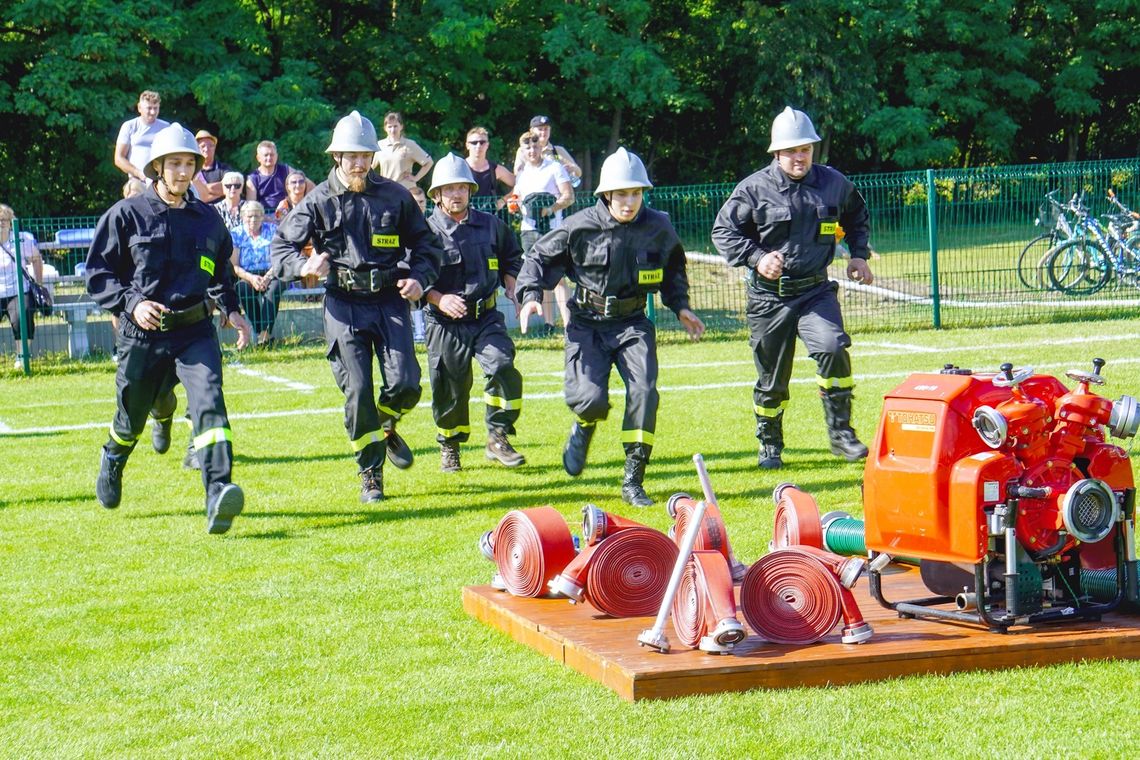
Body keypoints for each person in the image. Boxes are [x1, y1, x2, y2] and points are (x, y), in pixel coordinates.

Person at [85, 123, 253, 534]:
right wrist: (133, 303)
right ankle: (114, 457)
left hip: (195, 331)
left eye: (189, 164)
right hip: (142, 334)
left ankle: (218, 493)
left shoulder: (207, 219)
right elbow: (99, 272)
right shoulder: (125, 215)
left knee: (211, 402)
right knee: (132, 416)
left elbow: (217, 272)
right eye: (174, 164)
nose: (182, 171)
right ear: (157, 167)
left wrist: (231, 310)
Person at [516, 148, 704, 506]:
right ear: (606, 194)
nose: (629, 202)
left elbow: (674, 270)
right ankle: (584, 426)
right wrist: (529, 296)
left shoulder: (658, 227)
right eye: (622, 194)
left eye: (636, 193)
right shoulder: (579, 225)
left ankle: (633, 479)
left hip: (633, 324)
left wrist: (680, 306)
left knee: (645, 392)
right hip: (587, 324)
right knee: (590, 400)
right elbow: (538, 257)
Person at [272, 110, 443, 503]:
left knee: (405, 384)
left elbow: (427, 245)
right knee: (360, 389)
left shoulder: (395, 195)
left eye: (365, 155)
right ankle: (371, 473)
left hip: (389, 301)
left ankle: (385, 425)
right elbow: (280, 248)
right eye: (351, 156)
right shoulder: (318, 200)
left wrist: (419, 277)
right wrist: (303, 265)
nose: (359, 163)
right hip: (343, 305)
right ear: (337, 157)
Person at [711, 106, 873, 470]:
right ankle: (770, 444)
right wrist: (756, 258)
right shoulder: (753, 189)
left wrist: (858, 255)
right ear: (776, 152)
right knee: (772, 379)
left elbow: (857, 216)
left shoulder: (834, 183)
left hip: (816, 292)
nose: (799, 157)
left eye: (805, 149)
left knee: (833, 348)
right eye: (791, 150)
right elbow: (723, 232)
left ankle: (842, 434)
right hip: (769, 299)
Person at [423, 154, 526, 472]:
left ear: (470, 191)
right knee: (449, 387)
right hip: (444, 323)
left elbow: (513, 256)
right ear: (437, 195)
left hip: (486, 317)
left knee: (503, 366)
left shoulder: (491, 225)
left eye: (462, 188)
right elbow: (413, 277)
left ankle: (498, 436)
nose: (457, 194)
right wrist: (439, 299)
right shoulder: (425, 232)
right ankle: (450, 446)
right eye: (449, 188)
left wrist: (512, 283)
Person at [513, 130, 574, 336]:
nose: (532, 150)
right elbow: (517, 199)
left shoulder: (554, 167)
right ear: (522, 151)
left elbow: (569, 196)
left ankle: (568, 323)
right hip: (529, 231)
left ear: (541, 147)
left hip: (552, 229)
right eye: (527, 147)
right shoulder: (522, 174)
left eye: (535, 146)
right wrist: (514, 204)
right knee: (538, 276)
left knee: (558, 278)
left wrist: (550, 209)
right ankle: (548, 324)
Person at [231, 202, 281, 347]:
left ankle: (264, 334)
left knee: (274, 290)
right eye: (249, 216)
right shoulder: (236, 233)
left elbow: (278, 259)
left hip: (272, 273)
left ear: (263, 216)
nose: (253, 219)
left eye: (257, 216)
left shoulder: (272, 230)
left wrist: (267, 278)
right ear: (242, 217)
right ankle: (261, 334)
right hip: (247, 274)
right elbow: (234, 266)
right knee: (242, 289)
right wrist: (252, 278)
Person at [1, 204, 44, 368]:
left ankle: (22, 356)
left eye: (4, 219)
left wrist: (38, 284)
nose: (0, 223)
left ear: (11, 222)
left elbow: (36, 259)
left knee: (22, 315)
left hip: (18, 290)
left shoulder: (21, 239)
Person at [113, 90, 170, 183]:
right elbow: (119, 158)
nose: (152, 112)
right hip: (137, 180)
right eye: (149, 108)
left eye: (155, 108)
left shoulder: (166, 127)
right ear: (139, 108)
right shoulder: (130, 126)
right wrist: (139, 173)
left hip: (161, 181)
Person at [513, 115, 582, 187]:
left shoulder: (558, 151)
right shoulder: (523, 151)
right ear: (532, 130)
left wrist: (571, 168)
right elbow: (517, 174)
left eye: (546, 129)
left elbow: (578, 173)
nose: (543, 132)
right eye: (540, 129)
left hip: (557, 195)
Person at [372, 111, 433, 190]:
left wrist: (416, 178)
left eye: (395, 126)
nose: (393, 130)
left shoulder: (410, 145)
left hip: (405, 191)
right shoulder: (380, 145)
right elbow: (371, 168)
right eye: (390, 126)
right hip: (386, 190)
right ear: (385, 128)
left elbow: (429, 162)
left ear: (401, 126)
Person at [245, 140, 313, 210]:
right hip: (264, 215)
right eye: (266, 155)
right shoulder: (253, 178)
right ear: (258, 158)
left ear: (276, 156)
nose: (269, 158)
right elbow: (251, 206)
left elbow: (311, 186)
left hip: (287, 212)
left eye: (272, 155)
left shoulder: (286, 170)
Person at [464, 126, 514, 209]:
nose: (478, 146)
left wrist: (503, 200)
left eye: (482, 142)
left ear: (487, 145)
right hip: (464, 218)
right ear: (467, 145)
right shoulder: (460, 167)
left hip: (488, 218)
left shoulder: (495, 170)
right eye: (474, 142)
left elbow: (520, 184)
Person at [191, 129, 233, 203]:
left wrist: (204, 188)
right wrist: (220, 192)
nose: (206, 149)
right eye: (203, 146)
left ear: (215, 148)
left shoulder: (224, 169)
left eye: (210, 146)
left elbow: (231, 188)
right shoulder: (193, 170)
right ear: (197, 149)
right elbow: (201, 197)